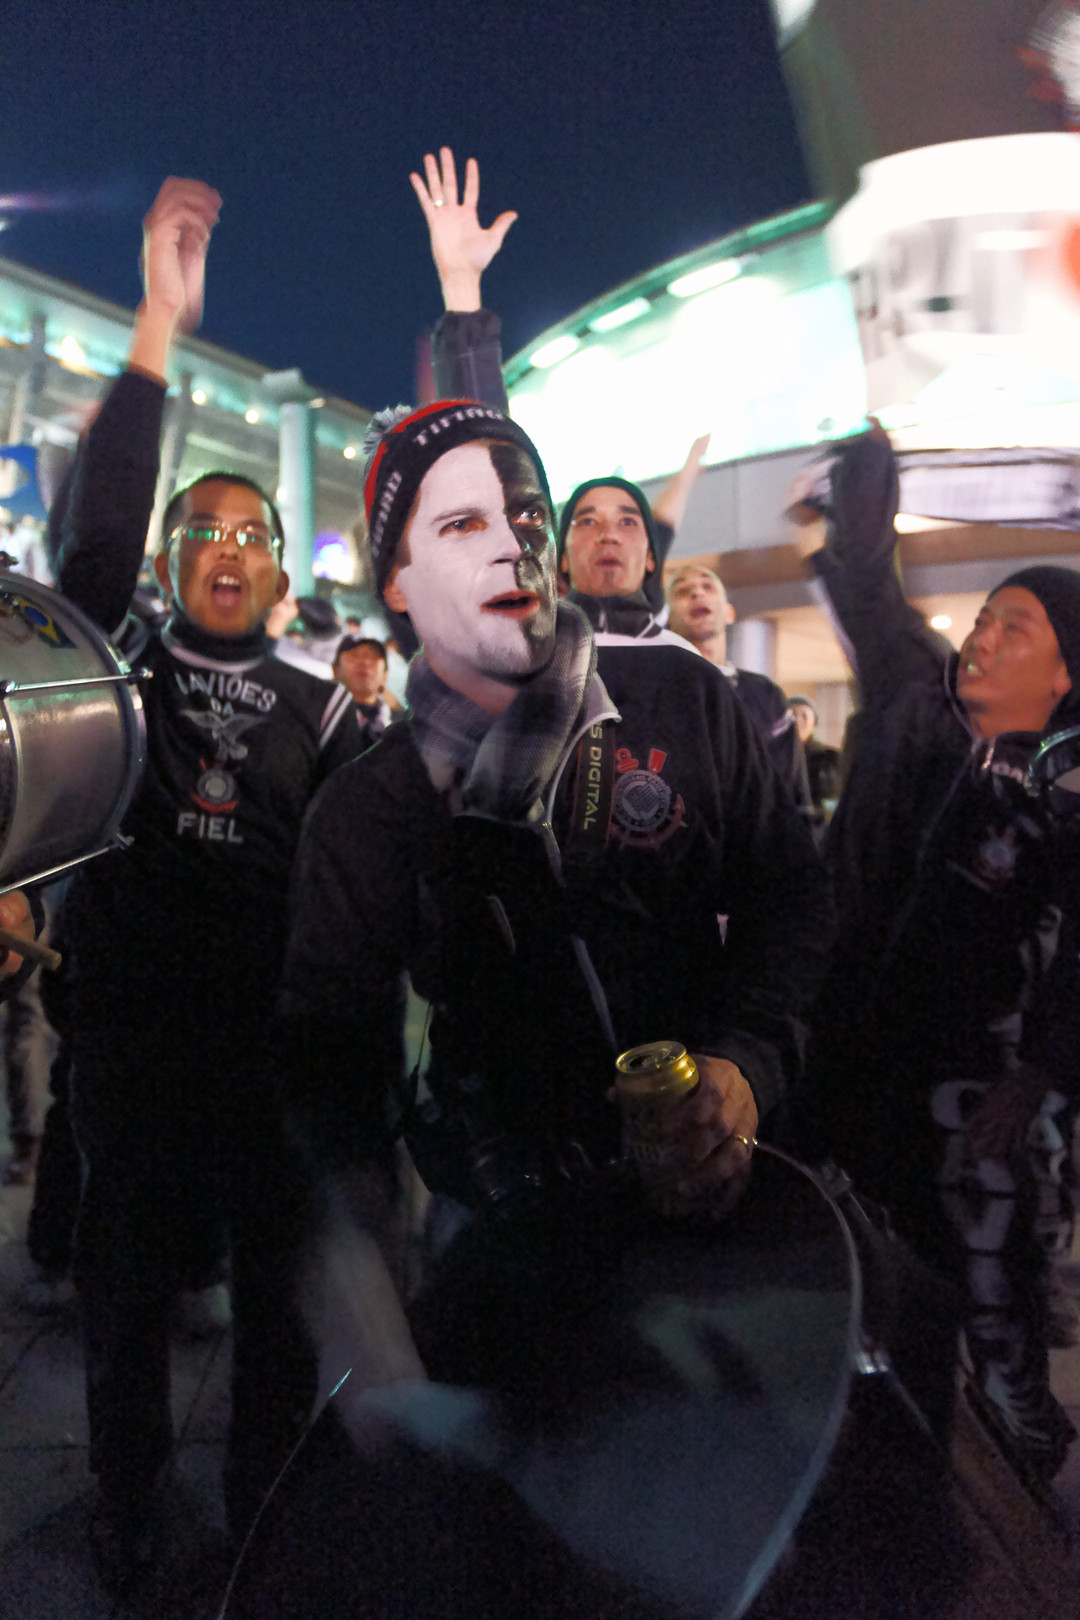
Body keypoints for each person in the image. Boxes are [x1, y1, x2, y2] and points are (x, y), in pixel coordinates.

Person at [54, 176, 362, 1590]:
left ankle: (266, 1509)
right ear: (169, 562)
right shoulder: (121, 663)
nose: (229, 550)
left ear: (284, 576)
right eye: (205, 533)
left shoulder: (327, 710)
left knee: (278, 1317)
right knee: (123, 1293)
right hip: (130, 1046)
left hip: (268, 1056)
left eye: (254, 537)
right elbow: (94, 541)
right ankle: (126, 1505)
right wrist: (157, 326)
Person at [797, 422, 1080, 1479]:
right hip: (857, 1044)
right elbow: (872, 588)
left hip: (978, 1084)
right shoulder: (916, 694)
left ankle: (1014, 1450)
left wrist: (1041, 1069)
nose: (984, 638)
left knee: (984, 1277)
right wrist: (865, 483)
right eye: (985, 618)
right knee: (871, 1262)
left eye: (1017, 627)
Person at [665, 562, 810, 809]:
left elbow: (793, 793)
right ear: (668, 622)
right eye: (682, 591)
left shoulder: (766, 694)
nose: (697, 593)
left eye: (708, 587)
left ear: (729, 613)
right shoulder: (658, 694)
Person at [787, 692, 841, 839]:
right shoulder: (773, 758)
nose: (797, 720)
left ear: (814, 722)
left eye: (804, 715)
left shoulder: (830, 757)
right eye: (792, 715)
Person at [332, 634, 392, 748]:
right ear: (335, 669)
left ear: (385, 676)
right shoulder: (315, 713)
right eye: (354, 655)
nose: (365, 662)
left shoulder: (395, 732)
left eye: (373, 657)